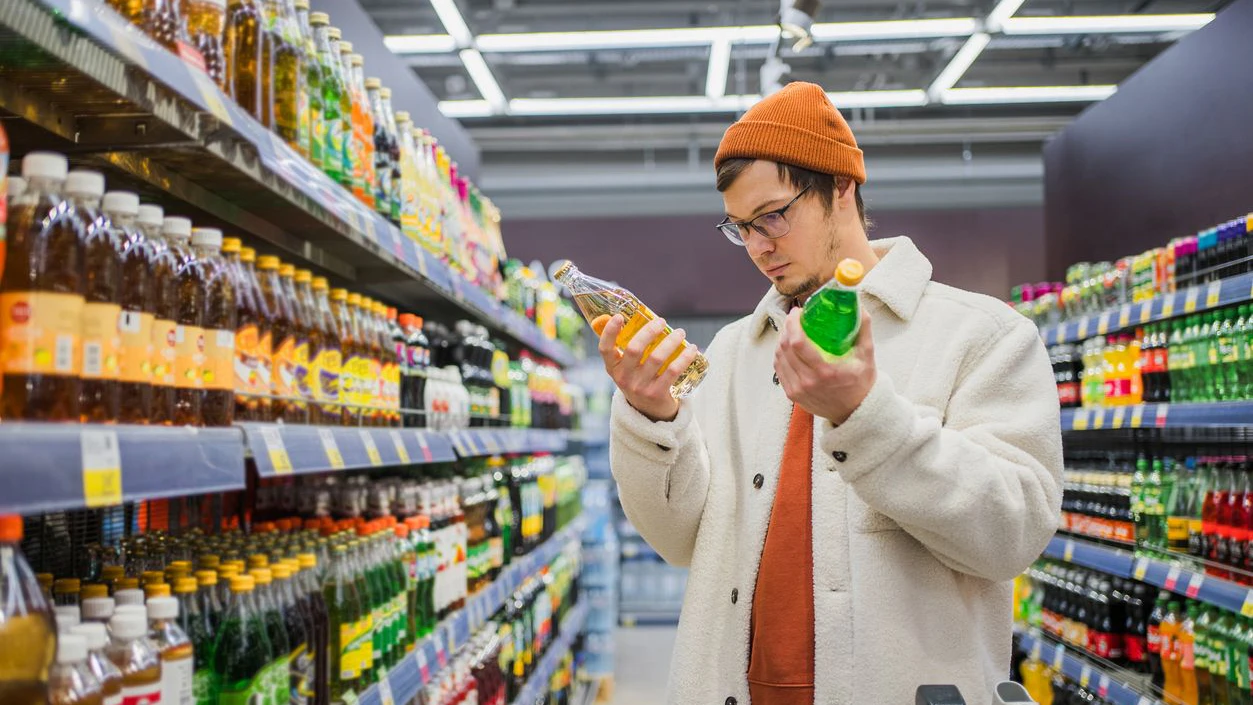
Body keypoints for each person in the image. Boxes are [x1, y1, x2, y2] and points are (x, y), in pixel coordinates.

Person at [599, 81, 1063, 705]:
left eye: (773, 216)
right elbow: (677, 541)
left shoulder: (983, 336)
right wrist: (652, 417)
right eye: (741, 228)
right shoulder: (732, 353)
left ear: (841, 186)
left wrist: (866, 417)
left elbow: (1015, 535)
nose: (758, 246)